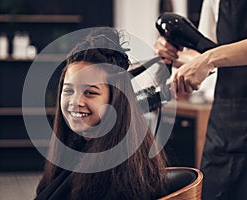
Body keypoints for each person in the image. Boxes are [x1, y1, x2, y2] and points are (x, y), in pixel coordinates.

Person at [35, 28, 167, 200]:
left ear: (115, 99)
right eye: (68, 90)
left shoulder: (121, 175)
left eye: (90, 92)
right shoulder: (76, 148)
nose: (75, 101)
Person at [154, 0, 247, 199]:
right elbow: (209, 52)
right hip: (227, 123)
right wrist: (174, 54)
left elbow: (211, 57)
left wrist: (208, 59)